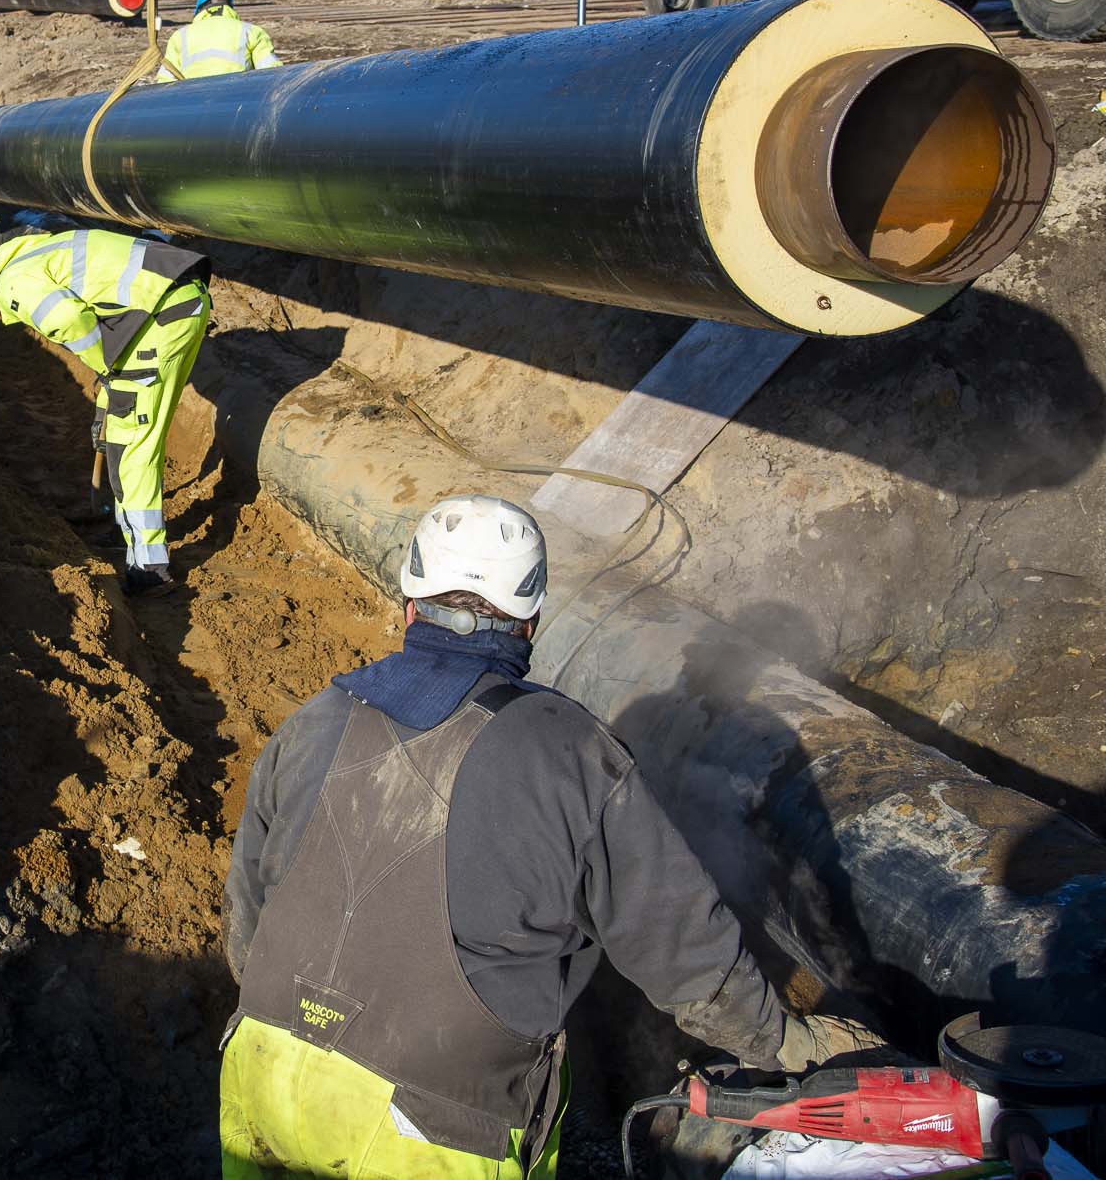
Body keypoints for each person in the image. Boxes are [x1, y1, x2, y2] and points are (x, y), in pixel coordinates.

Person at [219, 495, 881, 1179]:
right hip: (428, 1128)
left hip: (258, 1079)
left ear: (409, 603)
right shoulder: (572, 751)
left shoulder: (316, 716)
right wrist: (788, 1044)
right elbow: (683, 950)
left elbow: (246, 926)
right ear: (531, 620)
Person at [0, 228, 211, 597]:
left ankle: (149, 568)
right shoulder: (29, 254)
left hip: (161, 316)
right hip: (168, 303)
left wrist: (103, 367)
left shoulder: (13, 288)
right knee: (121, 429)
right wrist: (105, 404)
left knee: (132, 446)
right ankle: (128, 532)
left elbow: (71, 321)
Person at [157, 0, 282, 82]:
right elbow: (272, 74)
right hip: (238, 100)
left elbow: (166, 80)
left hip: (193, 103)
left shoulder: (180, 36)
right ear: (229, 8)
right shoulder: (251, 31)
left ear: (199, 10)